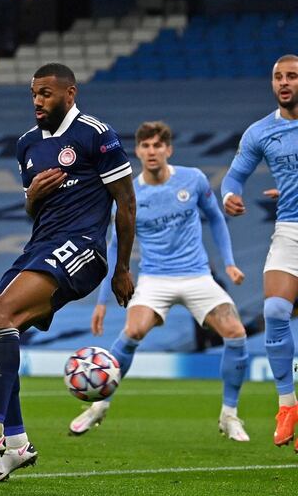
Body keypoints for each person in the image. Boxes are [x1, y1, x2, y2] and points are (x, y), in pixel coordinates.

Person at [0, 63, 136, 482]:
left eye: (47, 93)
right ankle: (16, 445)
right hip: (40, 247)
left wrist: (122, 268)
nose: (38, 101)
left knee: (0, 317)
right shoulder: (27, 145)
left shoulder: (95, 134)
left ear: (70, 93)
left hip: (83, 248)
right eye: (34, 93)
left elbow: (125, 202)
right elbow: (32, 210)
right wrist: (32, 195)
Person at [69, 121, 250, 441]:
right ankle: (100, 405)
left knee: (236, 333)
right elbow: (113, 245)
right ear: (137, 151)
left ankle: (229, 415)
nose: (152, 152)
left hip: (197, 275)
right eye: (146, 146)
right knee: (133, 331)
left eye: (158, 145)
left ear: (169, 149)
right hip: (154, 278)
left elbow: (216, 218)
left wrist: (230, 263)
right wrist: (101, 302)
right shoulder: (128, 193)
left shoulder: (192, 179)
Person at [222, 54, 298, 449]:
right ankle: (287, 405)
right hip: (290, 230)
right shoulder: (260, 132)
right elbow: (235, 174)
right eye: (278, 77)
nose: (284, 82)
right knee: (274, 311)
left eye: (292, 76)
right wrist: (230, 194)